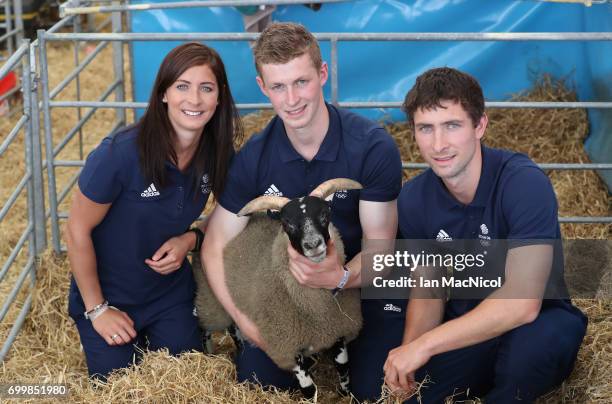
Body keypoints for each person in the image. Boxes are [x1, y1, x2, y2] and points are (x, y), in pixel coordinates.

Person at [201, 22, 404, 400]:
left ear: (322, 74)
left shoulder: (371, 148)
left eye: (301, 82)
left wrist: (339, 277)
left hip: (359, 288)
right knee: (259, 383)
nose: (292, 99)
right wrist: (247, 323)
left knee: (373, 389)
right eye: (278, 86)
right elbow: (214, 246)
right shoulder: (253, 161)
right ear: (263, 88)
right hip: (286, 299)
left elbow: (382, 249)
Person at [383, 67, 588, 403]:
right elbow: (429, 290)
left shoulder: (523, 183)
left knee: (520, 369)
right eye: (426, 128)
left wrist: (426, 344)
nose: (438, 144)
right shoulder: (414, 200)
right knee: (423, 392)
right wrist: (409, 357)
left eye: (452, 125)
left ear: (479, 126)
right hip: (470, 322)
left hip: (540, 319)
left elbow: (523, 304)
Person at [66, 42, 243, 380]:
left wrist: (191, 239)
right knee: (119, 385)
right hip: (111, 294)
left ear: (219, 97)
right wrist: (98, 310)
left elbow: (230, 210)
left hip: (168, 294)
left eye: (206, 88)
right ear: (163, 93)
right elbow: (76, 230)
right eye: (182, 86)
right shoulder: (118, 155)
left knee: (187, 378)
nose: (194, 100)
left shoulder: (218, 152)